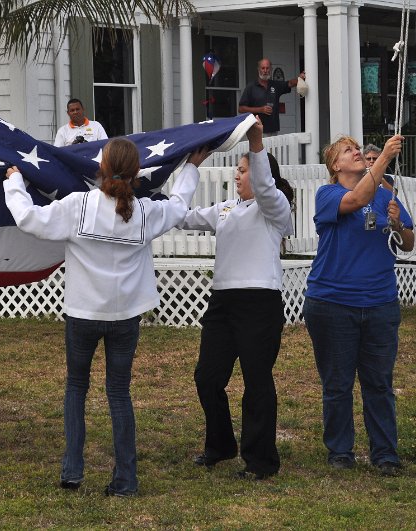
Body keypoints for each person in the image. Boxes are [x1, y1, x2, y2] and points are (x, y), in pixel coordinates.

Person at [3, 137, 211, 496]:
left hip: (83, 313)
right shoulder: (145, 212)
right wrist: (191, 165)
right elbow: (178, 205)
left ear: (101, 166)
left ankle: (72, 472)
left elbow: (27, 218)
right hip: (125, 316)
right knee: (119, 393)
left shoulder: (78, 206)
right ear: (136, 174)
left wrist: (14, 182)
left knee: (76, 388)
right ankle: (126, 480)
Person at [180, 116, 295, 480]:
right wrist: (189, 168)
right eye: (237, 169)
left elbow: (264, 185)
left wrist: (256, 144)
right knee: (207, 377)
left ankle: (260, 460)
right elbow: (181, 217)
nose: (237, 175)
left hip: (259, 302)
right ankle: (220, 445)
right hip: (223, 303)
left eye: (242, 170)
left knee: (256, 381)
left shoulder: (275, 208)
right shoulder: (226, 209)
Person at [302, 134, 414, 477]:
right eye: (348, 151)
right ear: (335, 166)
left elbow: (408, 241)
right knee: (337, 383)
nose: (355, 152)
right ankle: (340, 450)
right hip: (332, 303)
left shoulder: (384, 195)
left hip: (380, 302)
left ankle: (385, 453)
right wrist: (383, 160)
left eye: (357, 149)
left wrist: (396, 221)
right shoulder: (329, 194)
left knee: (378, 383)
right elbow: (356, 199)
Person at [238, 58, 306, 135]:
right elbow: (241, 109)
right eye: (263, 68)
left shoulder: (275, 85)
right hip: (256, 131)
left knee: (273, 147)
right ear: (258, 69)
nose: (265, 70)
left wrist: (299, 79)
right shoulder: (251, 87)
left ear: (271, 69)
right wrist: (260, 109)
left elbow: (289, 83)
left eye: (267, 68)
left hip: (273, 130)